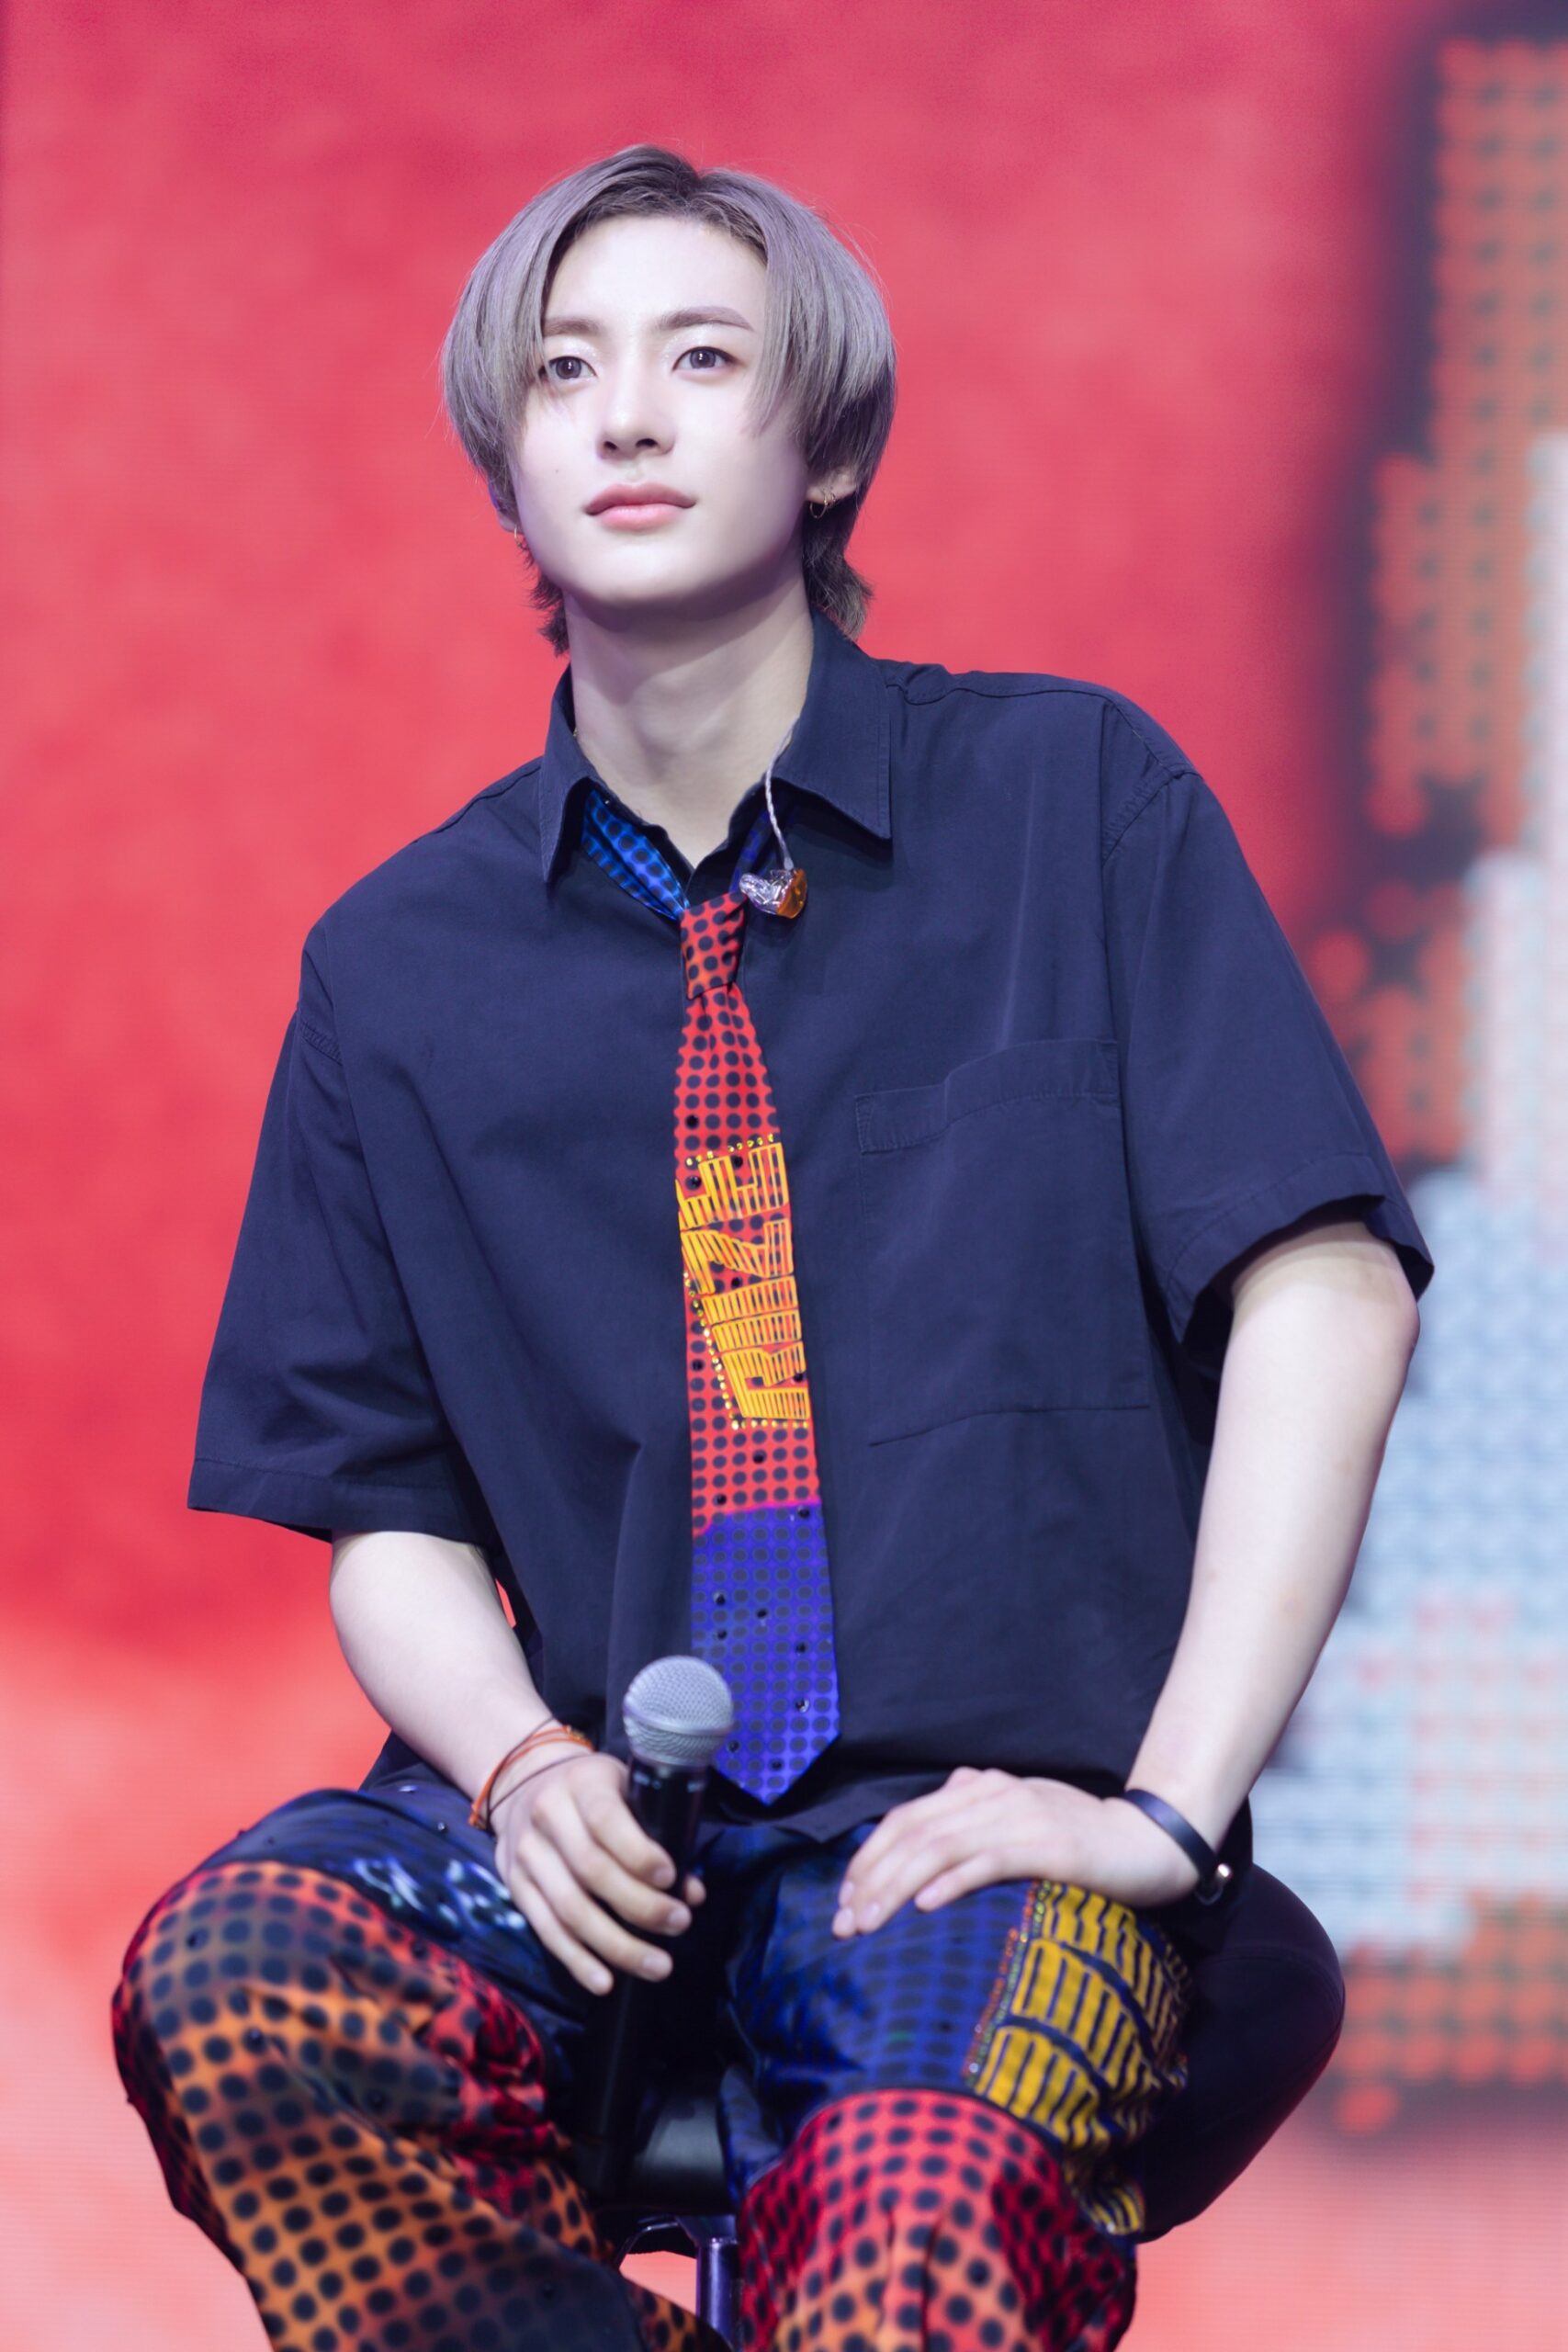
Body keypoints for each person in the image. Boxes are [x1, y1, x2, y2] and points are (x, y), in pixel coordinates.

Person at [111, 142, 1435, 2352]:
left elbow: (1326, 1290)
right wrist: (519, 1764)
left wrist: (1165, 1811)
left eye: (700, 359)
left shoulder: (1069, 800)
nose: (625, 415)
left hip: (972, 1825)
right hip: (598, 1832)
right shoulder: (396, 965)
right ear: (505, 459)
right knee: (239, 1980)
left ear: (823, 445)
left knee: (912, 2226)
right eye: (564, 372)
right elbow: (377, 1502)